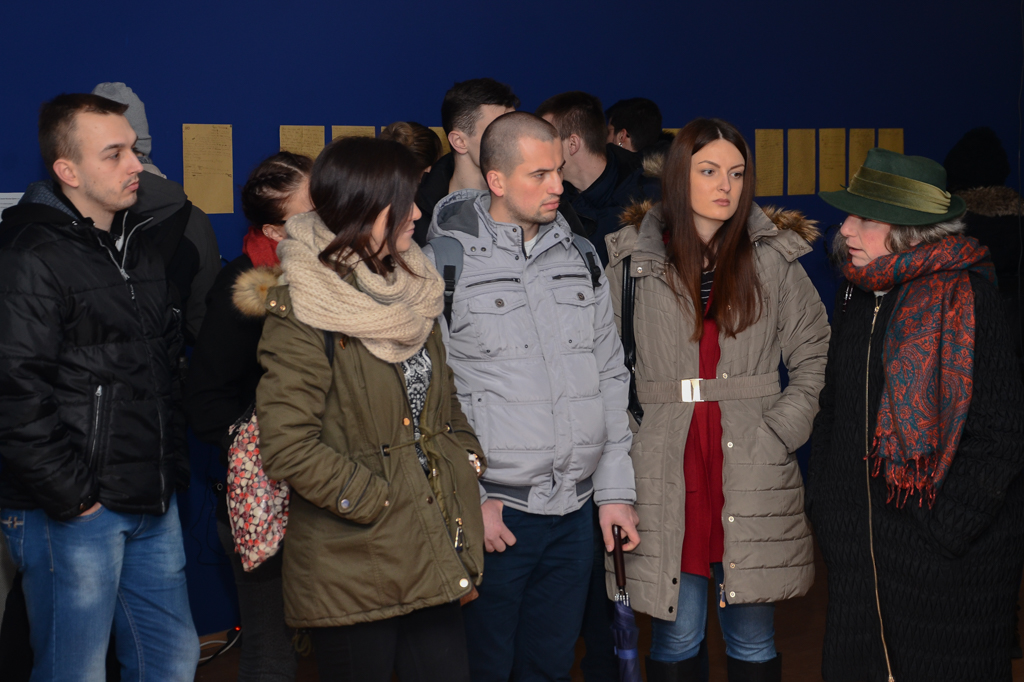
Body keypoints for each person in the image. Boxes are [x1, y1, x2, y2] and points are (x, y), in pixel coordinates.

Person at [255, 136, 487, 682]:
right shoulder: (302, 305)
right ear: (366, 209)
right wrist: (377, 498)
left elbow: (444, 399)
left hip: (430, 537)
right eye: (405, 203)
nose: (419, 214)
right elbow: (286, 444)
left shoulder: (413, 287)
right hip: (355, 558)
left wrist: (465, 458)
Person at [605, 118, 829, 682]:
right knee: (677, 634)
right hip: (666, 466)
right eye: (708, 171)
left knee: (753, 639)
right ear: (679, 176)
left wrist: (780, 430)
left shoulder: (772, 259)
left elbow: (815, 353)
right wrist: (633, 439)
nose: (725, 185)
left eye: (736, 172)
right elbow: (603, 368)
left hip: (751, 464)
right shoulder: (632, 261)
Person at [425, 111, 639, 682]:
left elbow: (609, 377)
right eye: (538, 174)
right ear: (496, 180)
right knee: (483, 667)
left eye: (558, 171)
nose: (557, 185)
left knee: (549, 666)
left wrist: (613, 492)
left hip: (574, 513)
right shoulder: (444, 261)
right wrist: (470, 498)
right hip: (496, 516)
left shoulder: (582, 256)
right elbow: (428, 395)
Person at [0, 93, 198, 681]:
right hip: (72, 509)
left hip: (150, 496)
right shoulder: (27, 253)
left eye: (132, 149)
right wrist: (74, 499)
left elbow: (163, 366)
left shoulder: (141, 243)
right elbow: (14, 391)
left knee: (172, 660)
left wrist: (167, 469)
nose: (135, 164)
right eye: (114, 154)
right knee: (74, 671)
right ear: (67, 170)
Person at [809, 148, 1024, 682]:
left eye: (865, 218)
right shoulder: (858, 294)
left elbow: (1001, 437)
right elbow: (835, 405)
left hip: (949, 566)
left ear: (909, 233)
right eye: (850, 215)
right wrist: (828, 502)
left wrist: (945, 528)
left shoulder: (968, 299)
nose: (846, 229)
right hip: (860, 552)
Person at [184, 151, 313, 682]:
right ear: (274, 231)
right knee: (271, 648)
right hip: (264, 497)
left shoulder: (330, 280)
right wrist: (263, 451)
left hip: (324, 491)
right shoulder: (241, 288)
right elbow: (205, 400)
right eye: (312, 211)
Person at [92, 81, 221, 346]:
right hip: (163, 362)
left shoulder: (64, 211)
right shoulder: (192, 219)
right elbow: (204, 322)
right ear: (143, 143)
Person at [537, 91, 659, 266]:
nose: (539, 151)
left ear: (572, 144)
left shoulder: (652, 199)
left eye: (546, 140)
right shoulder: (551, 203)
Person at [412, 77, 519, 244]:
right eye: (497, 132)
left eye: (516, 130)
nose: (514, 142)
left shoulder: (533, 200)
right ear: (459, 142)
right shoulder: (412, 213)